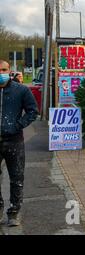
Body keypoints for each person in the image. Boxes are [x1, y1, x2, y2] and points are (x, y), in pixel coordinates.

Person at [0, 60, 38, 226]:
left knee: (16, 178)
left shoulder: (21, 90)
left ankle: (14, 213)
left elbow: (32, 112)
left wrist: (17, 126)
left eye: (3, 69)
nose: (0, 73)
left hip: (14, 141)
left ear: (9, 71)